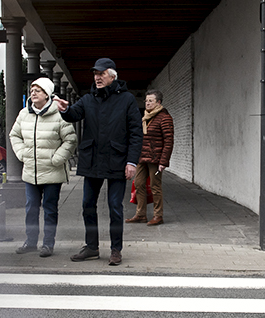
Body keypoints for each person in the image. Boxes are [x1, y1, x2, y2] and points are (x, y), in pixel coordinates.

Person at [53, 58, 142, 266]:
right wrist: (65, 109)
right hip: (92, 159)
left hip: (117, 160)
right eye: (95, 74)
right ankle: (92, 247)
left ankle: (115, 249)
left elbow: (136, 133)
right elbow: (74, 114)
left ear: (112, 76)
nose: (97, 77)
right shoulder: (88, 98)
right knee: (87, 205)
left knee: (114, 206)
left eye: (101, 74)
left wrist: (132, 162)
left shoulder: (127, 99)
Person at [8, 77, 77, 257]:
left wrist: (57, 159)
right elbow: (14, 135)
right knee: (31, 208)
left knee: (49, 208)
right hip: (31, 170)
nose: (33, 93)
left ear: (47, 94)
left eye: (38, 90)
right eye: (32, 90)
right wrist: (22, 154)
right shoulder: (24, 113)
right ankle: (30, 242)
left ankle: (48, 244)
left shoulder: (59, 114)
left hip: (52, 172)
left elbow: (70, 139)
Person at [127, 89, 174, 226]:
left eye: (150, 101)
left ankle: (158, 215)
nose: (147, 103)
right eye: (146, 101)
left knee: (155, 186)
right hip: (143, 157)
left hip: (156, 158)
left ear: (158, 102)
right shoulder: (145, 117)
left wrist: (163, 161)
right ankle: (141, 214)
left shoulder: (164, 118)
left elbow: (169, 140)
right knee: (139, 184)